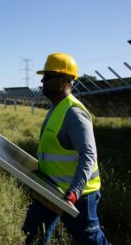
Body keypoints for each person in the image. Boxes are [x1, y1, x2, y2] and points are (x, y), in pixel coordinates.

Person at [22, 53, 109, 244]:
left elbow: (89, 154)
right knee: (35, 233)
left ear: (63, 80)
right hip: (52, 188)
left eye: (48, 77)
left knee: (90, 240)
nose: (42, 81)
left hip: (78, 195)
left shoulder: (74, 113)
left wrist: (75, 191)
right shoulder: (56, 107)